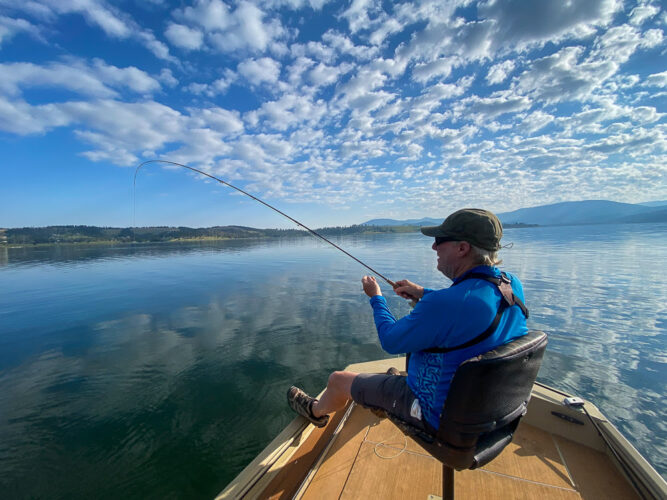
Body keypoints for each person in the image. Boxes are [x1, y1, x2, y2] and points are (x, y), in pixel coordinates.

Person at [287, 208, 529, 433]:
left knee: (338, 380)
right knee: (394, 374)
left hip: (438, 416)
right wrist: (422, 292)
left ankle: (315, 412)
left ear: (462, 248)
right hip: (486, 413)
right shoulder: (510, 284)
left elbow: (390, 340)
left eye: (440, 241)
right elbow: (468, 304)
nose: (434, 247)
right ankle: (385, 396)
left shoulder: (446, 304)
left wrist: (376, 298)